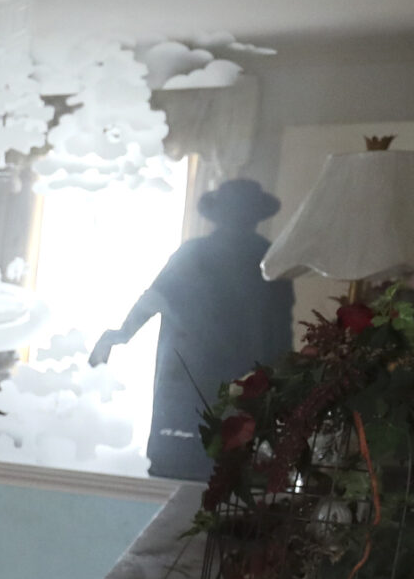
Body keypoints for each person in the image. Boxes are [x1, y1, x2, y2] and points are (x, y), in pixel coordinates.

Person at [89, 177, 295, 480]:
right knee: (198, 472)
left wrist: (282, 386)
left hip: (227, 384)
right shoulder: (249, 257)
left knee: (216, 474)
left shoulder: (268, 261)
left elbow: (280, 331)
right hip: (196, 382)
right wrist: (120, 335)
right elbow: (154, 298)